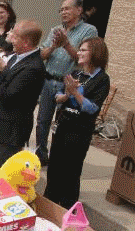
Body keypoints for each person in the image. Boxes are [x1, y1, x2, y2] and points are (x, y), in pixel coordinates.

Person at [43, 37, 110, 209]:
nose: (78, 53)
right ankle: (48, 206)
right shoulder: (75, 73)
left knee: (70, 173)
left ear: (95, 53)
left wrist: (76, 93)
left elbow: (92, 108)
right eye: (79, 49)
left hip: (79, 132)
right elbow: (58, 98)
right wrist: (67, 94)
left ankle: (66, 211)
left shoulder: (102, 79)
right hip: (63, 126)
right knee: (54, 169)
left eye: (83, 50)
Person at [35, 0, 98, 166]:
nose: (63, 12)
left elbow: (84, 58)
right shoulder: (55, 29)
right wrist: (55, 45)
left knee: (63, 123)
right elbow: (42, 55)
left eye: (67, 8)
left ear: (79, 10)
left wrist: (66, 45)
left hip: (69, 83)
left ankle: (57, 157)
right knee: (42, 122)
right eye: (61, 9)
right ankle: (41, 155)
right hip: (49, 81)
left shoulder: (88, 30)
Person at [0, 20, 46, 175]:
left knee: (2, 176)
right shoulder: (15, 58)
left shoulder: (33, 67)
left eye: (14, 36)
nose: (9, 39)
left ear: (26, 41)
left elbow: (9, 96)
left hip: (10, 132)